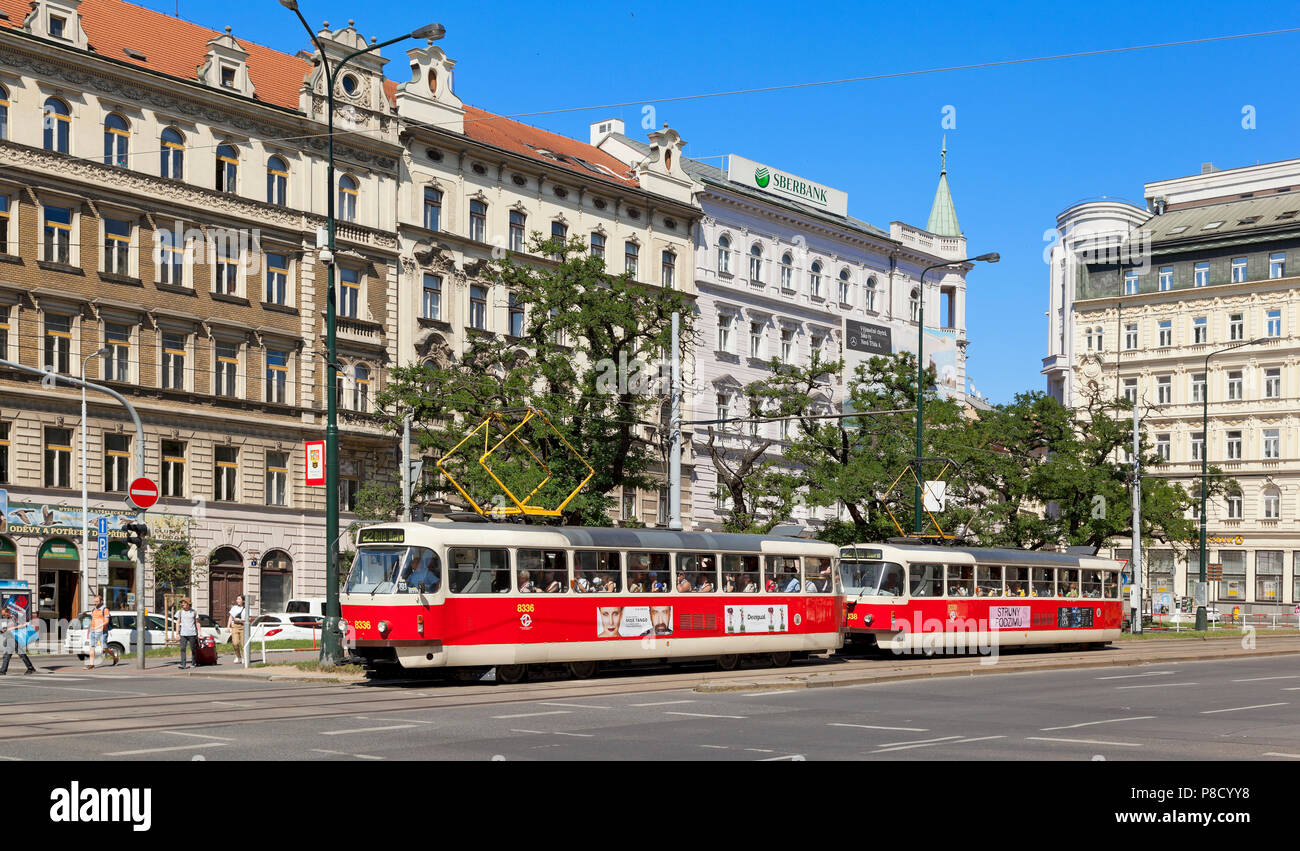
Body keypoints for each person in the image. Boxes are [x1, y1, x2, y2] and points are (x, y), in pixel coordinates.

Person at [0, 610, 37, 675]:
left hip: (16, 638)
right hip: (10, 639)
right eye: (2, 615)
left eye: (4, 614)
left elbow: (23, 625)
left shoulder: (15, 617)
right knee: (8, 655)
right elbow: (6, 629)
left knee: (20, 654)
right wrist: (3, 630)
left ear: (7, 612)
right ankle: (3, 670)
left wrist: (13, 628)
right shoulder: (7, 619)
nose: (3, 616)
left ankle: (30, 668)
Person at [87, 595, 111, 669]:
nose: (95, 603)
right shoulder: (93, 610)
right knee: (92, 647)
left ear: (101, 601)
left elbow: (107, 621)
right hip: (93, 630)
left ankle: (115, 657)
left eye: (97, 601)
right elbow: (92, 620)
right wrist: (90, 629)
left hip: (102, 631)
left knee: (104, 648)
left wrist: (99, 626)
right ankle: (91, 664)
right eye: (94, 601)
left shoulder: (105, 610)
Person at [176, 598, 199, 670]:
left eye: (184, 603)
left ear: (188, 604)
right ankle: (183, 664)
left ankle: (193, 662)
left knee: (193, 649)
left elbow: (197, 623)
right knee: (182, 648)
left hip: (192, 633)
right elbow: (177, 622)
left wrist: (200, 633)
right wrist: (177, 633)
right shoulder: (180, 612)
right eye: (182, 603)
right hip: (183, 633)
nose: (182, 604)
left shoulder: (194, 612)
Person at [227, 594, 246, 665]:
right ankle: (238, 656)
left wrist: (240, 620)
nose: (237, 600)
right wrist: (228, 626)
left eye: (239, 599)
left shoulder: (246, 608)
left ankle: (244, 657)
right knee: (235, 643)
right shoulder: (234, 608)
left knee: (243, 644)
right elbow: (230, 617)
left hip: (243, 627)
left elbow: (249, 619)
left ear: (243, 600)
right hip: (234, 626)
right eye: (237, 599)